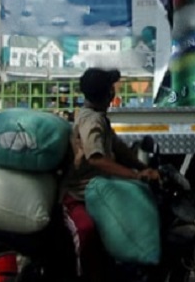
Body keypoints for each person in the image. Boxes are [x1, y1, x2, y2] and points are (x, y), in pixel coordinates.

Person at [61, 67, 160, 282]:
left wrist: (141, 168)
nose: (114, 93)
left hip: (99, 192)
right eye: (111, 88)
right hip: (78, 196)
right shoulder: (91, 120)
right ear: (106, 94)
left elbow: (119, 148)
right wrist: (134, 176)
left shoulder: (101, 119)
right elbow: (95, 157)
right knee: (86, 231)